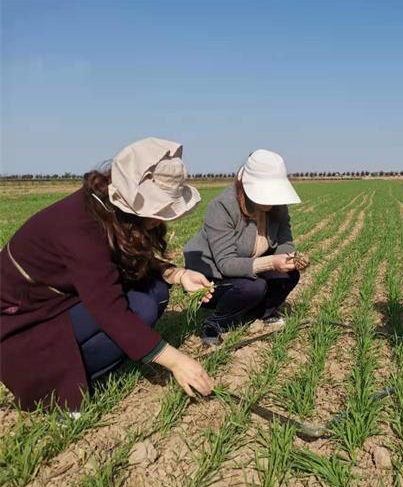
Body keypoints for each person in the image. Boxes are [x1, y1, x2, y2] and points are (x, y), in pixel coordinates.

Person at [0, 138, 215, 412]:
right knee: (141, 307)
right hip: (23, 323)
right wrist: (176, 361)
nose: (161, 218)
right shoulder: (80, 227)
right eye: (159, 208)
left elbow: (128, 261)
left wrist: (176, 274)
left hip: (62, 300)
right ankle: (57, 387)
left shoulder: (108, 209)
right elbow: (108, 310)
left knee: (156, 292)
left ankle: (109, 358)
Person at [184, 149, 303, 345]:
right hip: (213, 278)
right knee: (253, 287)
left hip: (248, 267)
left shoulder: (278, 207)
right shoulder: (223, 206)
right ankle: (215, 323)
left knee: (289, 275)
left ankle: (262, 312)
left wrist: (290, 259)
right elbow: (226, 264)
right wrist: (272, 262)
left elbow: (285, 242)